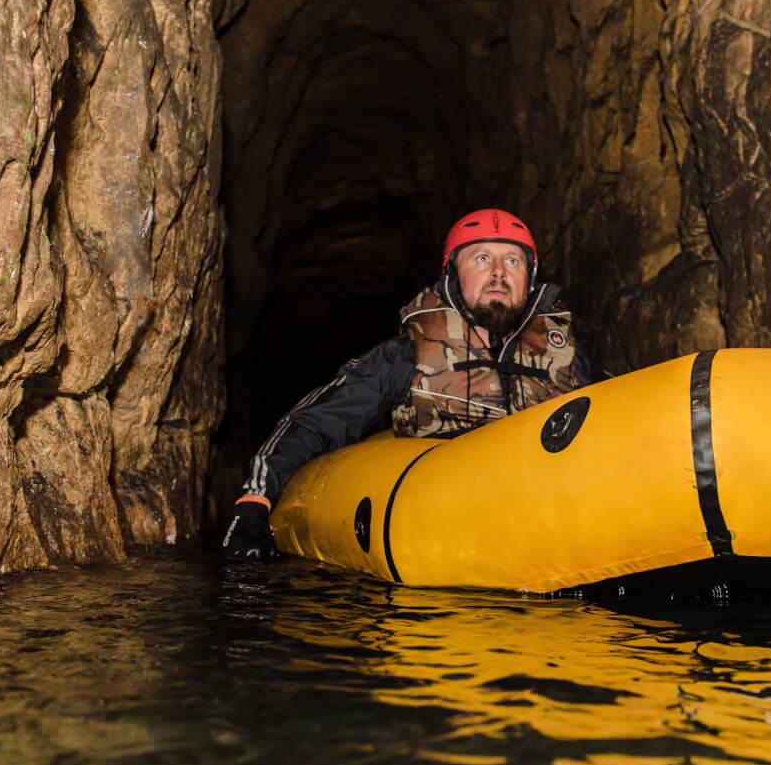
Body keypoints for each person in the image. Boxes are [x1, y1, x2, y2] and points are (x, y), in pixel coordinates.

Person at [223, 208, 598, 558]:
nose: (499, 272)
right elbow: (313, 422)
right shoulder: (404, 358)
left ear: (529, 280)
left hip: (551, 523)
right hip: (444, 530)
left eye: (512, 261)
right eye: (482, 259)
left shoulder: (567, 358)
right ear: (452, 274)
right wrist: (255, 502)